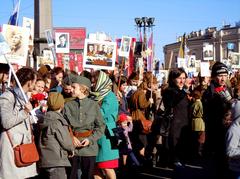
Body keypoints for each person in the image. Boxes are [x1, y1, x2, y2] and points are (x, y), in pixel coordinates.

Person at [63, 75, 105, 179]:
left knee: (88, 176)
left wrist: (90, 139)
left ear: (83, 89)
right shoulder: (68, 105)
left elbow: (100, 127)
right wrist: (71, 138)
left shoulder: (94, 105)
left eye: (74, 87)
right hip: (72, 148)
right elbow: (63, 126)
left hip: (89, 148)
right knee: (71, 176)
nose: (71, 89)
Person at [0, 67, 38, 178]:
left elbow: (22, 120)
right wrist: (25, 111)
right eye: (35, 82)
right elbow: (6, 122)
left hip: (24, 147)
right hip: (12, 147)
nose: (35, 85)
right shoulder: (7, 97)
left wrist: (37, 116)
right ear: (30, 82)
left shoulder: (23, 96)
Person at [202, 61, 232, 178]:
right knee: (218, 161)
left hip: (228, 129)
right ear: (214, 77)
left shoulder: (228, 89)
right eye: (220, 75)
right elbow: (207, 114)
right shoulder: (209, 92)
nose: (223, 78)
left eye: (225, 75)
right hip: (216, 130)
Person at [38, 92, 75, 179]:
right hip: (56, 159)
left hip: (45, 158)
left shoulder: (44, 118)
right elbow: (65, 140)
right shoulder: (57, 120)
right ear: (62, 105)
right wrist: (71, 148)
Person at [92, 70, 119, 179]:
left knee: (107, 166)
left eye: (95, 82)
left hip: (107, 134)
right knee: (96, 168)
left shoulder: (110, 96)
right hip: (98, 134)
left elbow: (102, 113)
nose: (93, 85)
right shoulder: (96, 96)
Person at [162, 67, 191, 168]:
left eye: (184, 78)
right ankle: (174, 159)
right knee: (174, 142)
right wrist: (183, 92)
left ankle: (180, 159)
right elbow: (171, 103)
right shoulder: (169, 91)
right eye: (179, 78)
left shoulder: (182, 91)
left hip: (184, 121)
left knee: (182, 142)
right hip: (174, 122)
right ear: (173, 79)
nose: (182, 81)